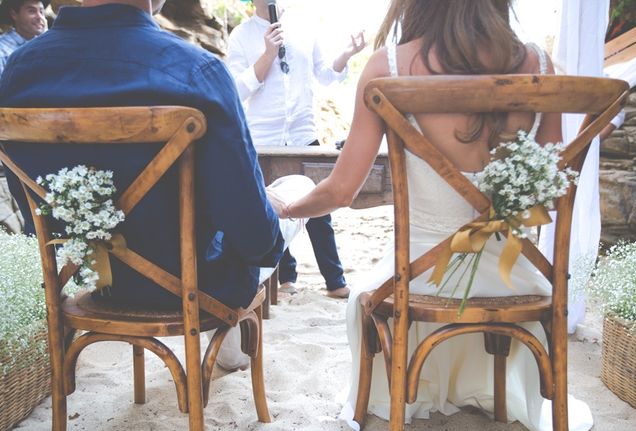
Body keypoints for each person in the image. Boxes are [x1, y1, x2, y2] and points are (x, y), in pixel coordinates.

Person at [280, 0, 594, 431]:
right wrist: (499, 204)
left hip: (421, 278)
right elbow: (551, 193)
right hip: (517, 279)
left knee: (365, 300)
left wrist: (288, 209)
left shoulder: (387, 67)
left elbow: (341, 190)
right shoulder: (537, 63)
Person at [0, 0, 312, 340]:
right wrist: (268, 202)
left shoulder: (17, 72)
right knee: (296, 188)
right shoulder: (199, 72)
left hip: (89, 279)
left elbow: (34, 212)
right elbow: (255, 239)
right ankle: (229, 349)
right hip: (196, 285)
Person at [226, 0, 366, 299]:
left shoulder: (305, 26)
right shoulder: (240, 35)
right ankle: (285, 277)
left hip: (304, 133)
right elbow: (237, 91)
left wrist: (347, 55)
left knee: (319, 208)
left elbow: (326, 75)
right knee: (271, 207)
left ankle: (334, 279)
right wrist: (267, 54)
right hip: (263, 137)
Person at [0, 0, 48, 76]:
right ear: (14, 14)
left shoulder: (45, 44)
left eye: (41, 12)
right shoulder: (2, 51)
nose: (40, 17)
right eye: (32, 11)